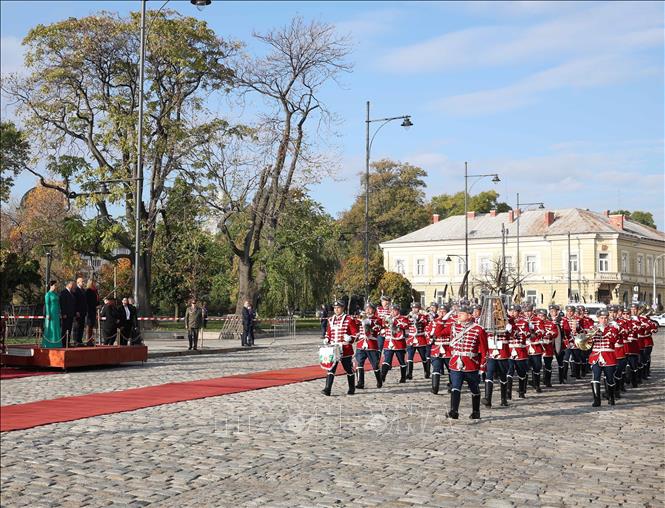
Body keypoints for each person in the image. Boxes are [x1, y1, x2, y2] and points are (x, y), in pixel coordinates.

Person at [447, 304, 488, 420]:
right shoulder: (455, 327)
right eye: (459, 313)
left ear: (469, 316)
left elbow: (485, 350)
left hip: (471, 363)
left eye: (462, 313)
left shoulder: (478, 329)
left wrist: (482, 367)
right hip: (456, 362)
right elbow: (450, 343)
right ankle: (454, 411)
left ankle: (476, 411)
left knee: (474, 389)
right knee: (455, 387)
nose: (458, 315)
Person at [322, 300, 358, 396]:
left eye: (338, 308)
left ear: (343, 308)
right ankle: (327, 389)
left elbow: (356, 334)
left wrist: (350, 339)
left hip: (345, 348)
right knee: (331, 368)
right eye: (335, 308)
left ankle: (351, 388)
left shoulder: (349, 319)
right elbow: (328, 333)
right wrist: (326, 339)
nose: (336, 309)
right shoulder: (331, 320)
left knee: (348, 369)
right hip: (333, 348)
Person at [587, 310, 618, 406]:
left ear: (608, 319)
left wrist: (605, 333)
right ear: (598, 319)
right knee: (595, 378)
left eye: (605, 318)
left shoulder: (612, 329)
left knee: (609, 379)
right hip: (595, 356)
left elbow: (613, 340)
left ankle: (611, 397)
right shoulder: (593, 328)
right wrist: (589, 337)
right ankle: (597, 400)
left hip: (608, 356)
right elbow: (588, 343)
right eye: (601, 318)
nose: (603, 320)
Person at [354, 302, 384, 389]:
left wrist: (368, 321)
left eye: (370, 308)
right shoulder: (361, 318)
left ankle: (379, 380)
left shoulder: (377, 319)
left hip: (371, 344)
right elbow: (354, 324)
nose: (367, 310)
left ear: (374, 310)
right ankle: (360, 382)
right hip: (361, 343)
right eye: (366, 308)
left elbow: (378, 328)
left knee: (375, 365)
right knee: (359, 363)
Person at [380, 304, 409, 384]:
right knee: (386, 360)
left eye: (394, 310)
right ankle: (382, 377)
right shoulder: (387, 318)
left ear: (398, 311)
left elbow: (406, 325)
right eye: (391, 310)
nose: (392, 312)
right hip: (388, 342)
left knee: (401, 361)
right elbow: (383, 325)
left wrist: (395, 321)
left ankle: (403, 377)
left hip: (399, 343)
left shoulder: (403, 318)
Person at [506, 304, 530, 399]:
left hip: (520, 349)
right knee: (509, 371)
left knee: (521, 372)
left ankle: (521, 391)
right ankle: (508, 393)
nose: (512, 313)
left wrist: (519, 333)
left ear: (519, 312)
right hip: (509, 349)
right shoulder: (506, 322)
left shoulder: (523, 322)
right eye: (511, 311)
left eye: (514, 311)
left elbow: (527, 334)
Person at [428, 304, 452, 394]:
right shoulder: (434, 321)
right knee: (436, 368)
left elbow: (448, 332)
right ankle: (435, 387)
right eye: (440, 311)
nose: (442, 313)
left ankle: (452, 385)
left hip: (448, 347)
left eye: (444, 311)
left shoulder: (451, 322)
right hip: (437, 347)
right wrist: (430, 338)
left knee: (450, 369)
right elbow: (429, 332)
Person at [406, 301, 430, 380]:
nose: (414, 309)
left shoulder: (423, 316)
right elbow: (405, 324)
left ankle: (426, 371)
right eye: (413, 308)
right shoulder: (408, 316)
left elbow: (425, 322)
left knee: (423, 357)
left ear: (419, 309)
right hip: (411, 338)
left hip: (420, 338)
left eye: (416, 308)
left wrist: (418, 318)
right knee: (410, 357)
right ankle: (409, 373)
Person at [42, 280, 62, 348]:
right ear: (51, 286)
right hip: (51, 313)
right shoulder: (48, 294)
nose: (56, 287)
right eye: (55, 285)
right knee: (51, 327)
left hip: (56, 313)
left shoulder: (55, 294)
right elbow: (47, 304)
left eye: (56, 285)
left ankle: (57, 343)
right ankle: (49, 343)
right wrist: (48, 314)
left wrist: (59, 312)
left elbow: (59, 303)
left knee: (56, 327)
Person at [59, 280, 76, 347]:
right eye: (73, 285)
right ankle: (63, 343)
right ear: (69, 284)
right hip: (66, 315)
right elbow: (63, 304)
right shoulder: (63, 292)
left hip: (71, 314)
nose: (74, 286)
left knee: (69, 329)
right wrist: (63, 313)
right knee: (64, 329)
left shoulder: (72, 293)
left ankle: (67, 343)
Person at [71, 277, 87, 346]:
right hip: (77, 312)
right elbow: (75, 302)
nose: (83, 283)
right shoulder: (75, 290)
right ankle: (75, 341)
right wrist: (76, 311)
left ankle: (80, 340)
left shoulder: (83, 290)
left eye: (83, 281)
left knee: (81, 327)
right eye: (82, 281)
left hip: (83, 312)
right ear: (78, 282)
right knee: (76, 327)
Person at [84, 279, 99, 345]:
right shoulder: (88, 291)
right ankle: (88, 340)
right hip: (89, 310)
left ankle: (90, 340)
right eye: (93, 283)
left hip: (93, 310)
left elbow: (96, 301)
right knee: (89, 325)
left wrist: (97, 304)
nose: (95, 284)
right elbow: (87, 302)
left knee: (92, 325)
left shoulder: (95, 291)